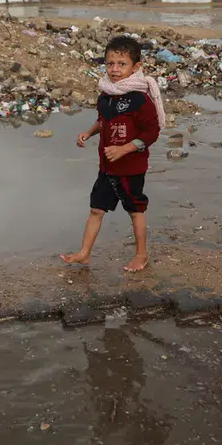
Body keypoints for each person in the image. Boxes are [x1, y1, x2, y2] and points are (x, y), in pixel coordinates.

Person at [62, 35, 163, 273]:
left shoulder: (140, 99)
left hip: (130, 168)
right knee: (96, 209)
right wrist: (88, 132)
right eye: (110, 64)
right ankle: (85, 253)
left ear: (136, 67)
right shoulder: (106, 96)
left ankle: (141, 254)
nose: (114, 70)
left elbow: (153, 131)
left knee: (135, 211)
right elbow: (103, 120)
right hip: (107, 167)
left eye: (121, 64)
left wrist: (125, 148)